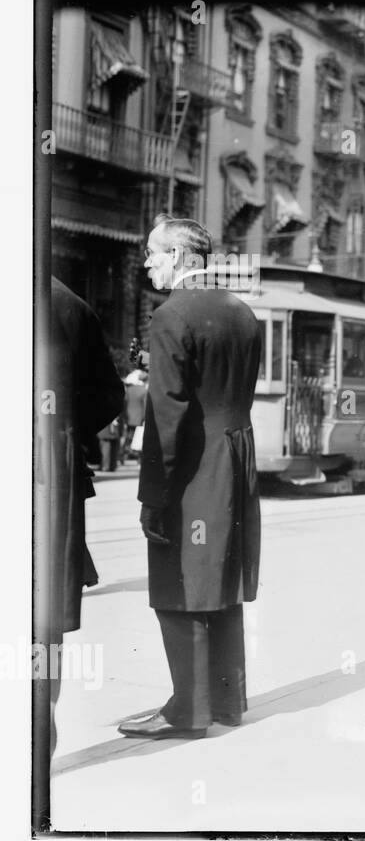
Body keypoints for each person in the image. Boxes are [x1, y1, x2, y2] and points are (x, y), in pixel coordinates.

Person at [119, 217, 262, 739]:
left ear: (179, 257)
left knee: (178, 581)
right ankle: (226, 701)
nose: (148, 263)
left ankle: (188, 710)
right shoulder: (242, 312)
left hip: (196, 464)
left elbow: (169, 415)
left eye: (155, 254)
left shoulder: (171, 315)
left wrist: (153, 495)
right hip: (236, 455)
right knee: (221, 578)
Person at [41, 279, 125, 754]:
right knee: (43, 611)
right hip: (54, 473)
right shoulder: (73, 302)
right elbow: (109, 395)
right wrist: (64, 431)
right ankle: (39, 732)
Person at [122, 368, 148, 460]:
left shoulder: (128, 390)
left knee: (128, 435)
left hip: (128, 416)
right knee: (138, 437)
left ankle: (124, 453)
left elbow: (124, 403)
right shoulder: (143, 390)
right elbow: (145, 406)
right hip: (139, 417)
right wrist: (145, 417)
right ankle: (136, 456)